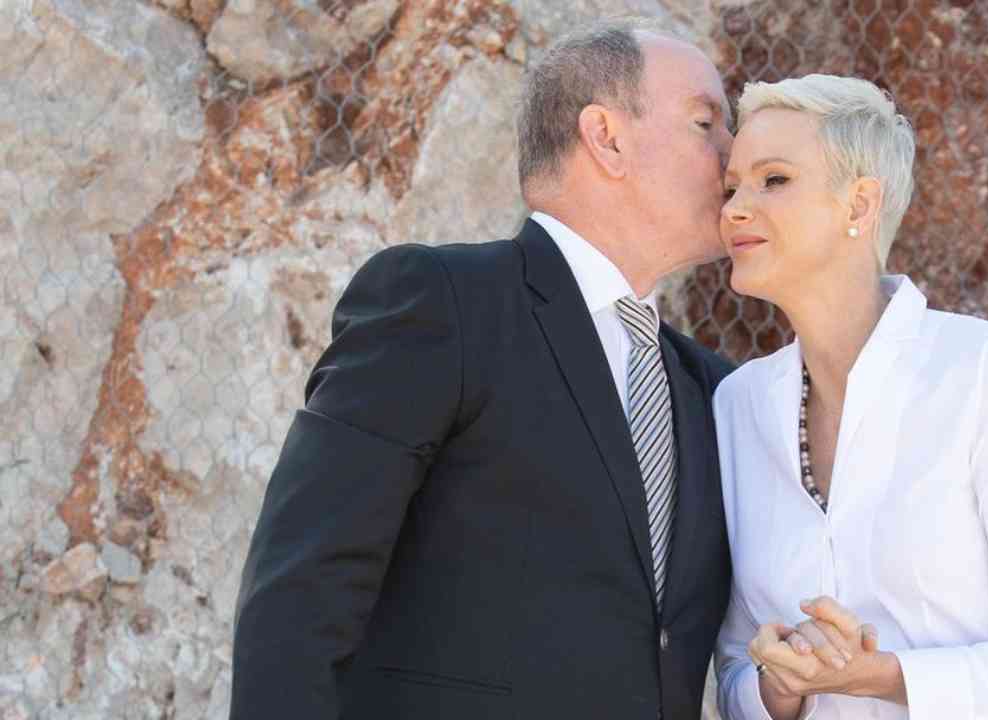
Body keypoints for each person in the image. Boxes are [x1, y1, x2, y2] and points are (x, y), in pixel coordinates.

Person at [230, 20, 737, 720]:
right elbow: (302, 587)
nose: (734, 157)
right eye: (707, 124)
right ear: (607, 138)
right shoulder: (444, 304)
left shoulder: (713, 389)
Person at [713, 73, 988, 719]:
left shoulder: (987, 370)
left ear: (860, 205)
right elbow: (732, 673)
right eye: (731, 188)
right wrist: (779, 687)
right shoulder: (737, 405)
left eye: (773, 179)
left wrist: (883, 677)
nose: (733, 210)